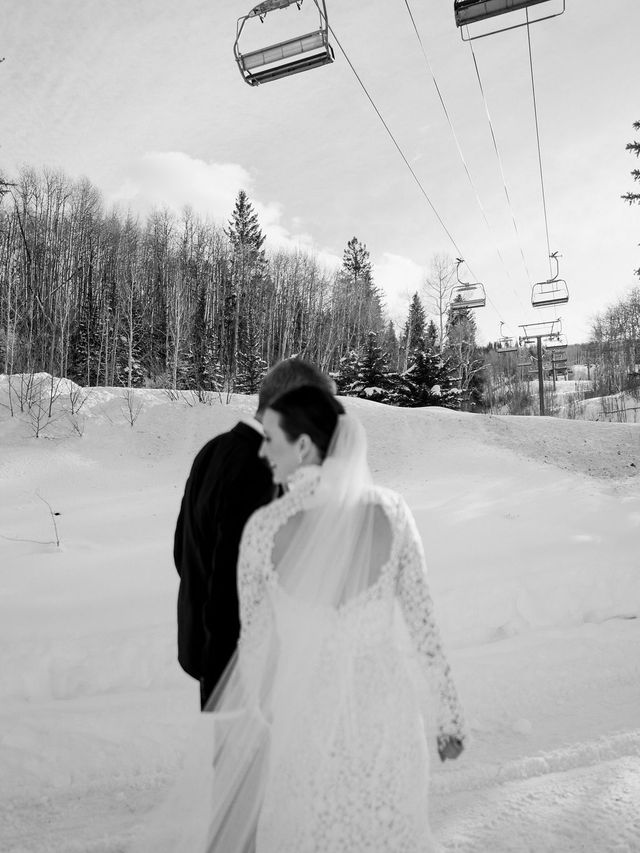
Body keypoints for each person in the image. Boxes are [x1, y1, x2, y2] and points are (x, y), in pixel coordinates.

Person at [146, 384, 466, 853]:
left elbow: (252, 657)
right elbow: (426, 631)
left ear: (302, 446)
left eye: (271, 436)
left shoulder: (264, 531)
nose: (262, 448)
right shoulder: (394, 514)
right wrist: (450, 718)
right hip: (389, 729)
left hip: (305, 736)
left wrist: (246, 741)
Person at [173, 360, 335, 709]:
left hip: (208, 653)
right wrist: (230, 688)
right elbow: (234, 587)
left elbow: (182, 551)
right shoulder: (258, 468)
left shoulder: (214, 449)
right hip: (240, 672)